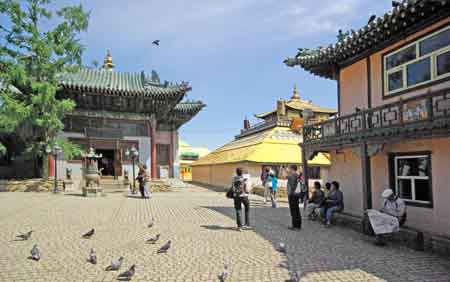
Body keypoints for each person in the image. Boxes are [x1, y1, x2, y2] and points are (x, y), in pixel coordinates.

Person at [287, 165, 301, 230]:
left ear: (292, 169)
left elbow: (292, 186)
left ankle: (295, 226)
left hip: (292, 195)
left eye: (289, 168)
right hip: (296, 194)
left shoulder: (292, 175)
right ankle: (298, 225)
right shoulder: (297, 175)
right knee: (297, 210)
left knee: (293, 211)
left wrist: (291, 192)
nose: (288, 169)